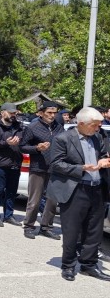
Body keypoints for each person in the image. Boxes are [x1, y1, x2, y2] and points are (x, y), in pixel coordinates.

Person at [48, 107, 110, 282]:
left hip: (96, 189)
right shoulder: (63, 138)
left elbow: (102, 154)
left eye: (99, 125)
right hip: (75, 190)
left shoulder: (97, 137)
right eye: (94, 125)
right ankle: (68, 265)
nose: (97, 128)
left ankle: (89, 264)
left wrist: (104, 160)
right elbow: (55, 164)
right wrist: (81, 168)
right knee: (72, 230)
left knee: (94, 230)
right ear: (81, 123)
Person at [20, 101, 64, 239]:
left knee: (52, 201)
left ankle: (46, 227)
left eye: (54, 113)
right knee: (34, 200)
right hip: (38, 168)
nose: (52, 115)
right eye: (49, 113)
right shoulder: (32, 127)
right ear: (41, 113)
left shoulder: (59, 127)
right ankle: (29, 226)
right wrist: (37, 148)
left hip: (55, 169)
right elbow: (22, 146)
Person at [0, 102, 24, 227]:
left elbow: (24, 141)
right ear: (2, 113)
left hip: (15, 163)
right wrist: (6, 143)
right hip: (0, 164)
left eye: (14, 113)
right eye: (10, 113)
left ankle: (8, 215)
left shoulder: (19, 126)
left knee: (12, 191)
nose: (13, 115)